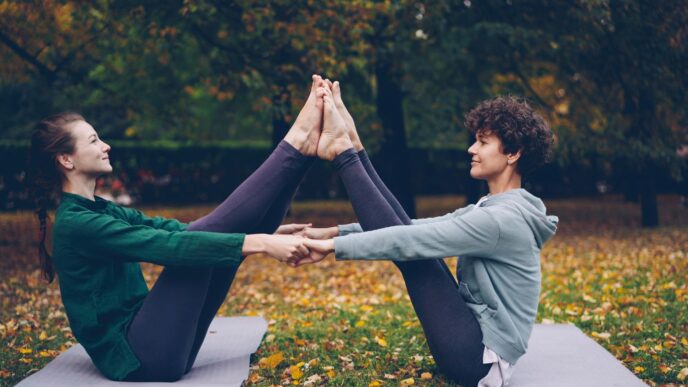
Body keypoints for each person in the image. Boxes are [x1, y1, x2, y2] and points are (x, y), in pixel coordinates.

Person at [27, 75, 328, 382]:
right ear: (65, 159)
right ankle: (296, 145)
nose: (106, 145)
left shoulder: (99, 209)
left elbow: (172, 230)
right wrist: (259, 243)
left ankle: (303, 153)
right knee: (198, 246)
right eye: (93, 140)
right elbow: (165, 247)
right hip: (139, 358)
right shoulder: (78, 223)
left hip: (163, 347)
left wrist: (263, 236)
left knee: (209, 237)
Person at [293, 87, 558, 387]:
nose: (472, 149)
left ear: (513, 153)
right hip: (473, 341)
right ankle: (352, 148)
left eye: (483, 142)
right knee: (414, 241)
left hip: (478, 361)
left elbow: (414, 240)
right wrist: (340, 232)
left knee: (415, 254)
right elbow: (417, 227)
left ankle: (344, 154)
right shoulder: (495, 206)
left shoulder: (501, 220)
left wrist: (333, 246)